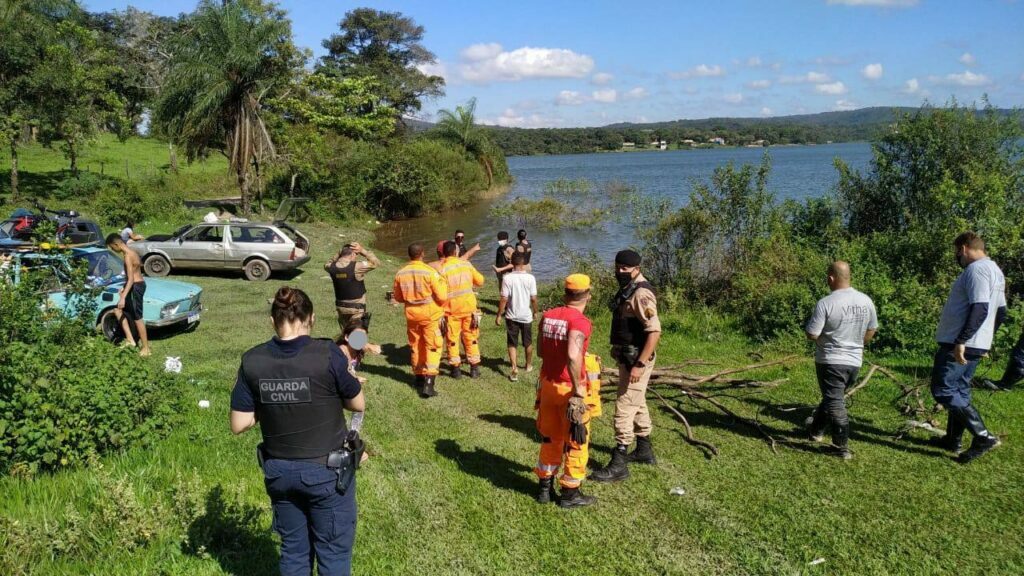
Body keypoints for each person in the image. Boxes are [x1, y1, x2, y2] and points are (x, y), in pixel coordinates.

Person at [230, 287, 365, 576]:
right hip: (327, 473)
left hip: (279, 472)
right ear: (312, 319)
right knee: (333, 553)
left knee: (293, 551)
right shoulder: (327, 353)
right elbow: (358, 403)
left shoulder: (252, 360)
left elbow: (239, 424)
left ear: (272, 321)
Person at [930, 231, 1005, 464]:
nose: (957, 258)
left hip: (961, 343)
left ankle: (983, 437)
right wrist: (986, 339)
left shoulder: (977, 269)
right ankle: (953, 439)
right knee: (959, 390)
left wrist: (962, 340)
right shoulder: (996, 271)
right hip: (976, 342)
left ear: (963, 249)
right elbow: (1001, 312)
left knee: (944, 389)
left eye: (957, 253)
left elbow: (980, 307)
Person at [591, 250, 661, 483]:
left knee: (624, 406)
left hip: (637, 362)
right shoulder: (628, 288)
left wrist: (640, 364)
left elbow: (654, 331)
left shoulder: (641, 294)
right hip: (628, 358)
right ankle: (644, 450)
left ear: (637, 268)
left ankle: (619, 462)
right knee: (636, 401)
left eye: (625, 269)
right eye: (617, 267)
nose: (620, 272)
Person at [534, 273, 597, 508]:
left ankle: (544, 488)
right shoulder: (580, 321)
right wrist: (579, 390)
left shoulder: (548, 316)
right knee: (576, 440)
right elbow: (573, 354)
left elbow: (540, 350)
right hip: (570, 390)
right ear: (587, 296)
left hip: (548, 386)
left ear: (565, 294)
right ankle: (570, 494)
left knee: (550, 437)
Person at [804, 261, 878, 459]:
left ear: (831, 278)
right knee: (832, 396)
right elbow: (872, 329)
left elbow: (812, 333)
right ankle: (815, 432)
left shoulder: (826, 303)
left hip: (831, 360)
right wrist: (857, 344)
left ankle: (841, 446)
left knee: (835, 401)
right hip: (854, 361)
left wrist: (827, 342)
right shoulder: (866, 301)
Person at [392, 242, 448, 397]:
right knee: (433, 346)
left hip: (412, 315)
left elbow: (397, 297)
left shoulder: (401, 273)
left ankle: (418, 377)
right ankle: (429, 383)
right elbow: (442, 297)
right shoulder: (430, 272)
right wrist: (442, 282)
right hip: (430, 315)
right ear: (422, 253)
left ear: (409, 255)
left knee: (416, 345)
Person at [439, 240, 485, 378]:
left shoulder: (442, 269)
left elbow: (439, 293)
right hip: (469, 308)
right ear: (456, 251)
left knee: (452, 340)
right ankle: (474, 368)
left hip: (451, 311)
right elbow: (480, 281)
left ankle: (455, 370)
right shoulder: (466, 265)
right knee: (471, 337)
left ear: (443, 253)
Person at [105, 233, 150, 356]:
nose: (112, 250)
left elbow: (131, 278)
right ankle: (130, 340)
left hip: (136, 287)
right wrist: (124, 289)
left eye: (112, 247)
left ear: (116, 244)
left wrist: (123, 297)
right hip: (135, 285)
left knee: (137, 318)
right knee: (117, 311)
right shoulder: (132, 252)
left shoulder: (128, 256)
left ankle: (146, 348)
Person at [496, 251, 537, 381]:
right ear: (524, 264)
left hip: (511, 316)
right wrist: (535, 312)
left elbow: (504, 298)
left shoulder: (507, 278)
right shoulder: (531, 278)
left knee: (512, 342)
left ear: (511, 263)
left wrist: (499, 314)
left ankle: (514, 368)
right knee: (528, 342)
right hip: (526, 316)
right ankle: (528, 365)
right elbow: (534, 299)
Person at [325, 242, 380, 334]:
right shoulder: (357, 267)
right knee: (357, 334)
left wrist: (340, 252)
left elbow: (329, 261)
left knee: (346, 332)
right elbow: (376, 263)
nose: (356, 257)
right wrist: (363, 251)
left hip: (341, 307)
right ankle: (357, 347)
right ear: (352, 254)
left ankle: (344, 347)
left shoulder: (331, 267)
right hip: (356, 308)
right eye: (356, 255)